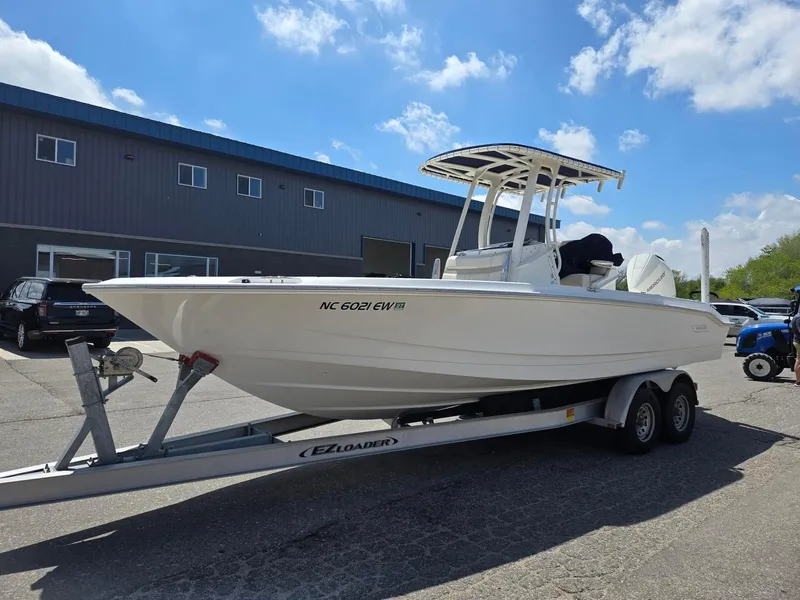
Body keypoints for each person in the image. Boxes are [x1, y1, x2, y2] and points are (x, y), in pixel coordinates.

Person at [792, 311, 800, 386]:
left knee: (798, 360)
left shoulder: (797, 316)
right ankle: (798, 381)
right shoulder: (799, 318)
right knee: (799, 361)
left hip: (797, 341)